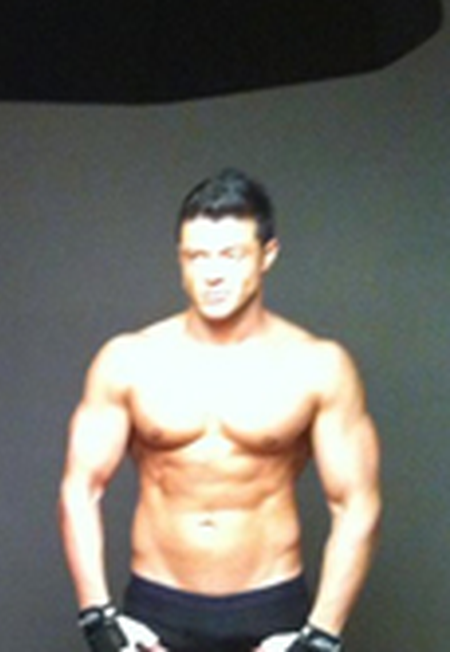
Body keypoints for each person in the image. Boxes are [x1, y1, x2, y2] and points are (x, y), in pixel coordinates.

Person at [58, 169, 381, 652]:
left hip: (271, 610)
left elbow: (356, 505)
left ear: (267, 255)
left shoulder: (318, 366)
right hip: (156, 609)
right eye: (197, 256)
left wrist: (320, 637)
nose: (212, 273)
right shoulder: (129, 360)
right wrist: (98, 620)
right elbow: (80, 488)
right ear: (180, 259)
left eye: (231, 255)